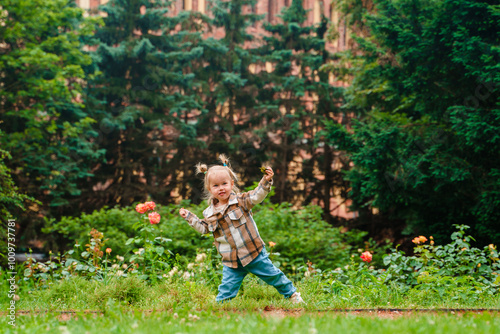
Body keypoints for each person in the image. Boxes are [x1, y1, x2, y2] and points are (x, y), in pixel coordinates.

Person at [179, 154, 304, 304]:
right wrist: (190, 217)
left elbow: (256, 196)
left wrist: (265, 181)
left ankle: (292, 295)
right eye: (216, 186)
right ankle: (220, 307)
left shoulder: (240, 201)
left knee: (273, 275)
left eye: (224, 184)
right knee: (227, 288)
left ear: (232, 184)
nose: (221, 188)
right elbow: (204, 228)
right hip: (232, 260)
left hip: (253, 253)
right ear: (209, 188)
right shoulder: (209, 213)